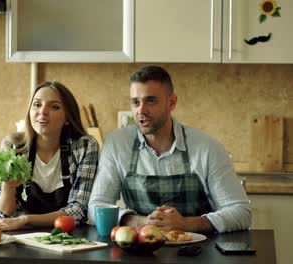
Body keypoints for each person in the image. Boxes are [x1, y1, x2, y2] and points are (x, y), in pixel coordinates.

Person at [87, 66, 251, 233]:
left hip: (199, 252)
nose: (141, 111)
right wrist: (138, 221)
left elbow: (241, 212)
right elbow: (95, 208)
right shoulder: (117, 144)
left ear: (171, 102)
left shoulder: (207, 148)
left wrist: (187, 224)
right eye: (135, 102)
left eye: (150, 101)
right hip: (139, 251)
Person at [0, 81, 99, 231]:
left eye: (54, 107)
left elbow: (78, 211)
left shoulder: (84, 146)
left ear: (67, 117)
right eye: (37, 104)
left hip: (67, 238)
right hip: (21, 238)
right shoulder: (13, 146)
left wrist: (26, 220)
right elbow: (4, 218)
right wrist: (9, 186)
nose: (42, 111)